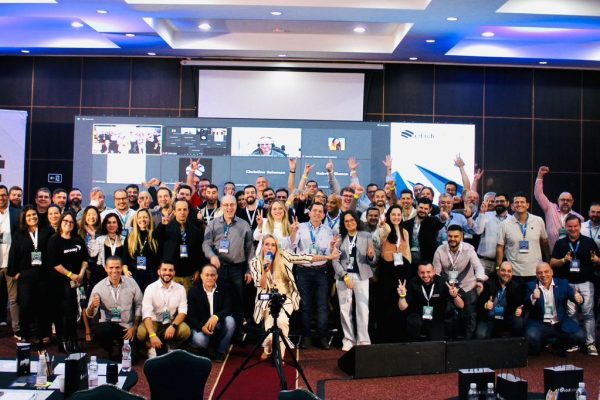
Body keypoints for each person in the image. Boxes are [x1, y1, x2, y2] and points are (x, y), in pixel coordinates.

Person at [250, 234, 338, 359]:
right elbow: (261, 285)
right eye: (267, 244)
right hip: (267, 298)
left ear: (276, 247)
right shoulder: (254, 262)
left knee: (282, 322)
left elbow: (306, 258)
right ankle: (269, 346)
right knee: (270, 325)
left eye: (273, 245)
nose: (270, 247)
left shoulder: (285, 256)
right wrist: (265, 270)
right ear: (262, 246)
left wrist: (328, 257)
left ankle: (279, 355)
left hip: (285, 297)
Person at [203, 195, 254, 340]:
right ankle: (217, 334)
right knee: (218, 301)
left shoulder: (244, 225)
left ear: (236, 206)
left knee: (238, 302)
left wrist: (249, 270)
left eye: (232, 205)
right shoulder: (212, 224)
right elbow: (206, 244)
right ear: (221, 207)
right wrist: (212, 256)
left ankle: (237, 335)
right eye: (226, 205)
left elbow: (250, 250)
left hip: (237, 269)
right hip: (218, 269)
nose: (229, 208)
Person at [549, 215, 600, 356]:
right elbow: (552, 263)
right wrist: (564, 260)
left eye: (575, 226)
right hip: (567, 283)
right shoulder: (561, 243)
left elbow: (598, 260)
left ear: (580, 226)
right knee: (570, 314)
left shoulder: (589, 242)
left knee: (588, 313)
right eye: (570, 226)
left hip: (586, 282)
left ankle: (590, 343)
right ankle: (575, 341)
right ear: (565, 227)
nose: (573, 229)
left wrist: (596, 260)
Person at [7, 206, 53, 343]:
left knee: (43, 305)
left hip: (43, 274)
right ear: (24, 218)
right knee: (25, 305)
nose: (32, 217)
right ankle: (25, 333)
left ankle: (44, 334)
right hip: (25, 275)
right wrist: (15, 273)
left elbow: (51, 252)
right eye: (28, 216)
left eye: (34, 214)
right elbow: (13, 254)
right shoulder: (19, 234)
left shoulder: (47, 231)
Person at [433, 224, 487, 339]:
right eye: (450, 236)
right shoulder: (440, 250)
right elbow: (436, 273)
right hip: (449, 286)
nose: (452, 239)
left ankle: (468, 344)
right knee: (448, 316)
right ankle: (449, 342)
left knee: (469, 316)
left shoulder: (469, 249)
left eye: (456, 236)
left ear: (461, 236)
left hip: (467, 285)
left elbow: (478, 267)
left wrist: (480, 280)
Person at [293, 202, 335, 349]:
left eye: (320, 211)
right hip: (303, 270)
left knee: (322, 306)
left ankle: (323, 337)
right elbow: (292, 246)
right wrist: (292, 232)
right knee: (305, 306)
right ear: (309, 213)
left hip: (321, 271)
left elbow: (329, 254)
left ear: (324, 215)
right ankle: (306, 337)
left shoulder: (328, 230)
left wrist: (331, 248)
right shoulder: (300, 227)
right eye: (314, 211)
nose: (317, 213)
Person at [332, 211, 376, 351]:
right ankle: (348, 339)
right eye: (346, 221)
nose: (349, 223)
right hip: (343, 277)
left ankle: (363, 340)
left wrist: (370, 256)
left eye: (352, 220)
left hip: (361, 276)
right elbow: (334, 260)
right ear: (343, 223)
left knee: (363, 309)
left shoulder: (366, 236)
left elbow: (373, 260)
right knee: (345, 309)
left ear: (357, 221)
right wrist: (344, 275)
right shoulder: (339, 238)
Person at [86, 256, 143, 359]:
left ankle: (123, 348)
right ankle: (109, 349)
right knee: (101, 330)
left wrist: (134, 327)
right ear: (106, 268)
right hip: (110, 325)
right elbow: (90, 314)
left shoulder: (131, 282)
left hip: (127, 327)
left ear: (122, 268)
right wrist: (92, 306)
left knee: (132, 359)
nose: (114, 271)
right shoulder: (99, 287)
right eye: (111, 268)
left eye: (117, 267)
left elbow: (139, 304)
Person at [47, 212, 89, 353]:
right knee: (64, 312)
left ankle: (73, 339)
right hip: (61, 282)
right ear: (61, 222)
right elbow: (55, 263)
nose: (68, 224)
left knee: (74, 312)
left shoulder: (78, 240)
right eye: (66, 221)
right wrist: (71, 275)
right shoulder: (54, 240)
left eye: (71, 222)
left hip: (78, 281)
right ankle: (63, 340)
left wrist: (81, 274)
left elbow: (84, 259)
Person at [524, 262, 585, 356]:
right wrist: (533, 297)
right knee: (531, 337)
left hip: (560, 322)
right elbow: (525, 304)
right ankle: (543, 345)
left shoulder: (562, 283)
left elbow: (574, 296)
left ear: (552, 272)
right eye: (540, 273)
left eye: (546, 271)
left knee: (580, 336)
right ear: (536, 274)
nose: (543, 275)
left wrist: (579, 299)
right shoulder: (531, 285)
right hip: (539, 323)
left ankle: (557, 346)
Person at [137, 263, 191, 358]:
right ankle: (150, 346)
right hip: (154, 321)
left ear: (174, 273)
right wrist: (152, 334)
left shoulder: (180, 288)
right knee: (141, 333)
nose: (167, 273)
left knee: (185, 330)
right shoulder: (150, 288)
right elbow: (146, 313)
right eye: (164, 270)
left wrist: (173, 325)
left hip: (170, 321)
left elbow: (183, 311)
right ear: (159, 272)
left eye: (170, 270)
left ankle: (171, 346)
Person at [398, 263, 463, 341]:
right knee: (413, 322)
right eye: (422, 272)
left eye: (428, 272)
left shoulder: (442, 282)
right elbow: (402, 308)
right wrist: (402, 296)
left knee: (437, 343)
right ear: (418, 273)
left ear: (434, 271)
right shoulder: (413, 282)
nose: (425, 275)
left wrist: (455, 296)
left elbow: (461, 306)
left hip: (436, 317)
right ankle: (413, 346)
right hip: (418, 315)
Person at [376, 204, 412, 342]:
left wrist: (408, 272)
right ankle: (385, 337)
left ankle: (399, 335)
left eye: (398, 214)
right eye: (393, 214)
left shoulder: (405, 232)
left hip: (402, 271)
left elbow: (407, 252)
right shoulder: (385, 229)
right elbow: (383, 231)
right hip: (387, 270)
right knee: (386, 303)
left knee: (400, 301)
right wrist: (383, 224)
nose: (396, 217)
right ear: (388, 216)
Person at [497, 192, 550, 283]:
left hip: (535, 272)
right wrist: (498, 267)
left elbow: (544, 243)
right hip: (513, 273)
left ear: (527, 205)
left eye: (522, 202)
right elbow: (500, 247)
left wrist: (548, 262)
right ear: (512, 206)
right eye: (516, 202)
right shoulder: (505, 224)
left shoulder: (538, 220)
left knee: (534, 297)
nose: (519, 204)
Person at [187, 264, 235, 363]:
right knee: (201, 341)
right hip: (202, 325)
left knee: (231, 321)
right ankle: (200, 346)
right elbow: (191, 316)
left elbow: (228, 308)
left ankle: (220, 351)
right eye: (207, 275)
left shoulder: (224, 288)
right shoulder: (193, 291)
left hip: (218, 323)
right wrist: (201, 328)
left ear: (216, 276)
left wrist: (216, 317)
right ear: (201, 276)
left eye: (212, 275)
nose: (210, 278)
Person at [158, 199, 206, 292]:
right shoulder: (166, 228)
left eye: (184, 209)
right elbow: (158, 246)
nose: (182, 212)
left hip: (189, 275)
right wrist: (162, 225)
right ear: (174, 212)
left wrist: (198, 270)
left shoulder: (195, 230)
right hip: (171, 274)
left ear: (188, 211)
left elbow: (199, 252)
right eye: (179, 210)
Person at [535, 166, 584, 249]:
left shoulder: (579, 218)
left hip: (571, 253)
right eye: (563, 200)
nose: (565, 202)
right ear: (558, 200)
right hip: (552, 253)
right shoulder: (550, 208)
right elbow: (538, 194)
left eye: (568, 200)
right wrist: (540, 176)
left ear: (572, 202)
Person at [475, 261, 525, 339]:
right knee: (481, 335)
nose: (506, 273)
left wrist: (519, 310)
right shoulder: (489, 283)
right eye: (503, 270)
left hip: (505, 318)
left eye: (509, 271)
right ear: (498, 271)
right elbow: (479, 302)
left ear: (512, 273)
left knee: (518, 321)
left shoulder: (516, 286)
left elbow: (520, 305)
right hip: (489, 318)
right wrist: (486, 305)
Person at [124, 208, 161, 293]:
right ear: (136, 220)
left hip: (152, 276)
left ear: (149, 219)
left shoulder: (156, 236)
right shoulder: (130, 237)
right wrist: (125, 270)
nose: (142, 220)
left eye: (145, 217)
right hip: (134, 276)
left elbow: (159, 257)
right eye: (139, 218)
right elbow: (125, 257)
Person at [0, 185, 21, 336]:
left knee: (13, 300)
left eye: (3, 195)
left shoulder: (17, 214)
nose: (1, 198)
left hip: (11, 264)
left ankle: (17, 329)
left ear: (8, 196)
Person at [473, 193, 510, 273]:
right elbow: (478, 231)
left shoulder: (512, 220)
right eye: (496, 201)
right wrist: (482, 213)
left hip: (503, 264)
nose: (499, 203)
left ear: (508, 203)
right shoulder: (486, 215)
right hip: (483, 262)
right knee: (480, 284)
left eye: (502, 201)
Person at [403, 198, 445, 267]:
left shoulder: (433, 221)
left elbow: (440, 224)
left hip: (428, 261)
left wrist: (443, 218)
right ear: (416, 207)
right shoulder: (407, 224)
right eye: (421, 207)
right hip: (410, 262)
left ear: (430, 209)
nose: (423, 210)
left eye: (426, 209)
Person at [95, 213, 131, 277]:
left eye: (114, 222)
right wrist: (92, 236)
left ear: (118, 225)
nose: (111, 225)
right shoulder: (99, 239)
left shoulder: (125, 239)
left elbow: (127, 258)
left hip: (121, 275)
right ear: (105, 225)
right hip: (102, 274)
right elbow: (92, 254)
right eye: (109, 222)